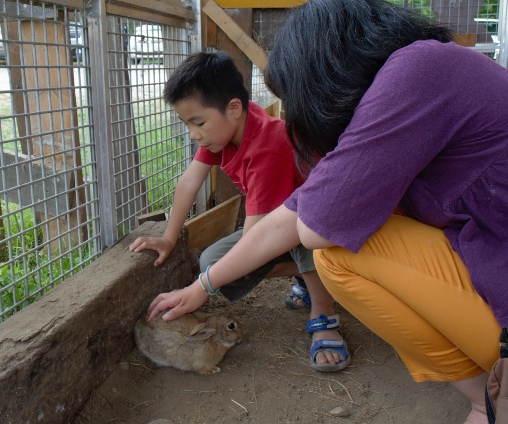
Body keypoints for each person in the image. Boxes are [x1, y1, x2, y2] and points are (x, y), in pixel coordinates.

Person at [147, 1, 508, 423]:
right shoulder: (422, 66)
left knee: (334, 255)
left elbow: (312, 227)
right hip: (487, 241)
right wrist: (201, 285)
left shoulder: (417, 73)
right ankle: (484, 396)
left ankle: (486, 394)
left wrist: (205, 282)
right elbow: (294, 212)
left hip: (493, 256)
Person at [129, 51, 351, 372]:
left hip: (321, 223)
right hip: (277, 224)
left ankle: (324, 311)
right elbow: (189, 182)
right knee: (211, 263)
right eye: (187, 124)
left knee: (291, 240)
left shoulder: (268, 147)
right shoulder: (222, 134)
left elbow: (255, 239)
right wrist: (167, 237)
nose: (193, 134)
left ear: (233, 108)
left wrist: (200, 288)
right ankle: (309, 274)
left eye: (198, 122)